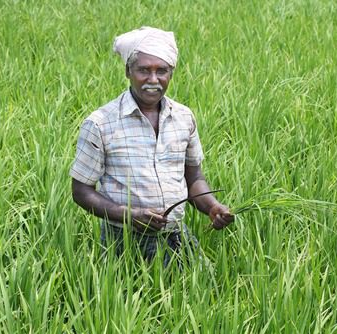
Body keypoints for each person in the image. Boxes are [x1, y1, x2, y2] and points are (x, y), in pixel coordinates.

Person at [70, 26, 234, 265]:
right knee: (123, 300)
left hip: (176, 237)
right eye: (144, 70)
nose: (153, 80)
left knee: (203, 293)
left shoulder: (183, 117)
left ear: (171, 73)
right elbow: (81, 191)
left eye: (162, 71)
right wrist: (129, 216)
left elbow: (193, 178)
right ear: (128, 71)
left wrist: (212, 206)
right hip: (122, 241)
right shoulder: (100, 123)